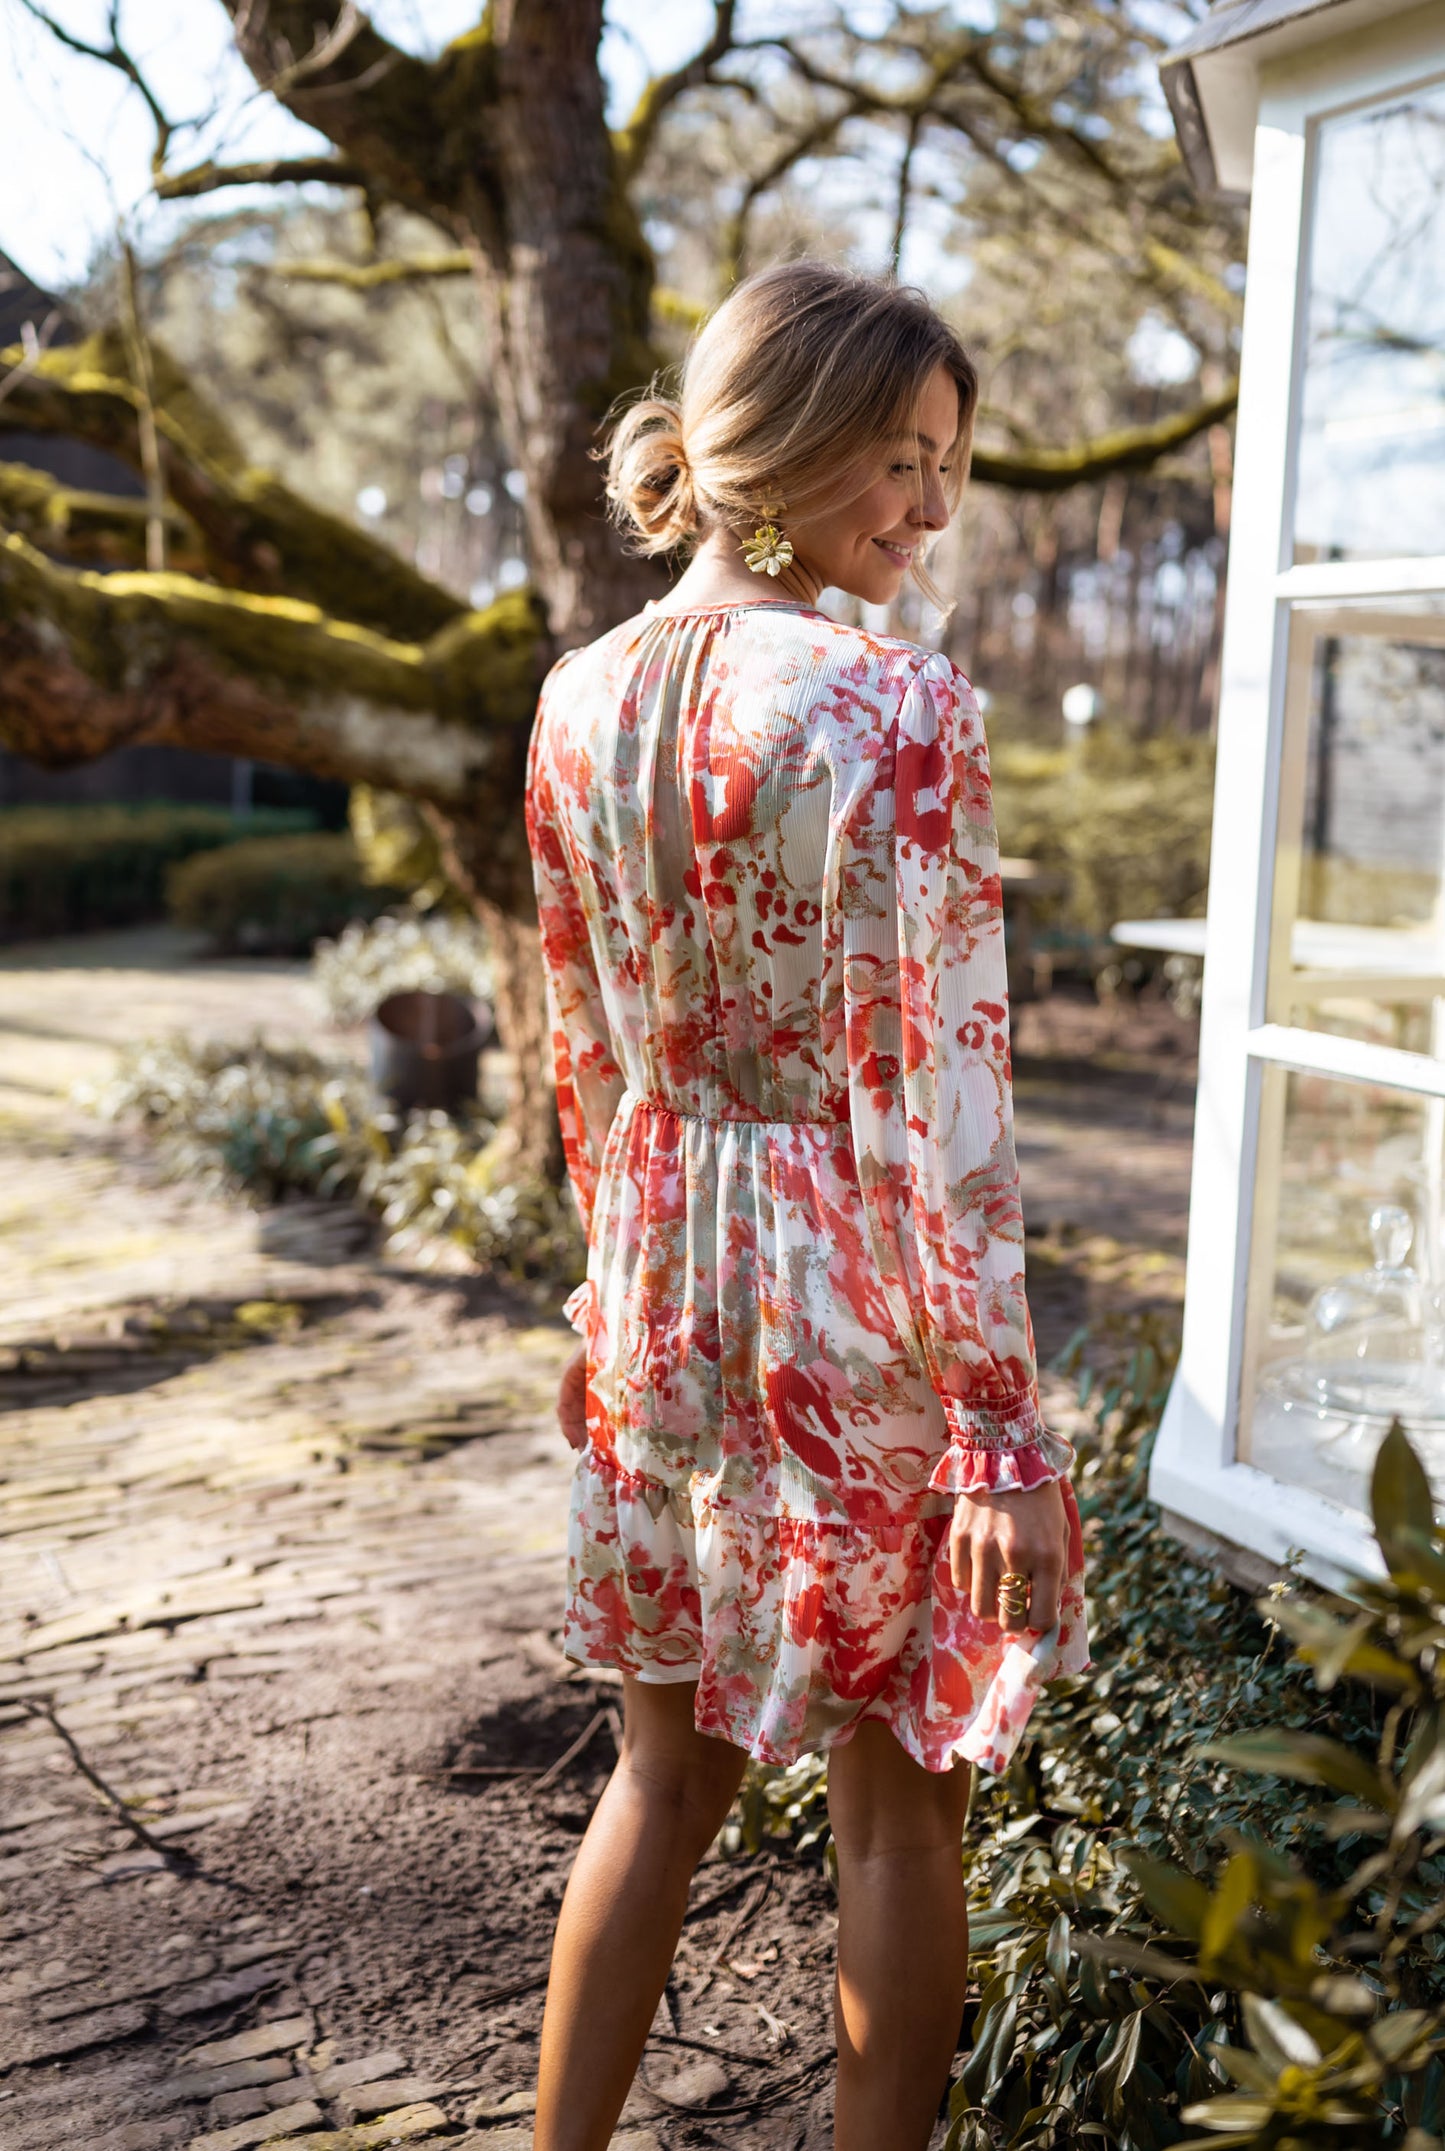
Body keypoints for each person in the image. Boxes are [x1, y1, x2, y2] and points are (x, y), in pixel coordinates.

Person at [522, 259, 1090, 2151]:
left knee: (655, 1772)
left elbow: (583, 1050)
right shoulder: (892, 704)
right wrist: (1004, 1432)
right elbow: (937, 1102)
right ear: (804, 441)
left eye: (945, 468)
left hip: (658, 1282)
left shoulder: (572, 699)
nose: (932, 512)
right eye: (909, 463)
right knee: (900, 1787)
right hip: (849, 1297)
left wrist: (595, 1309)